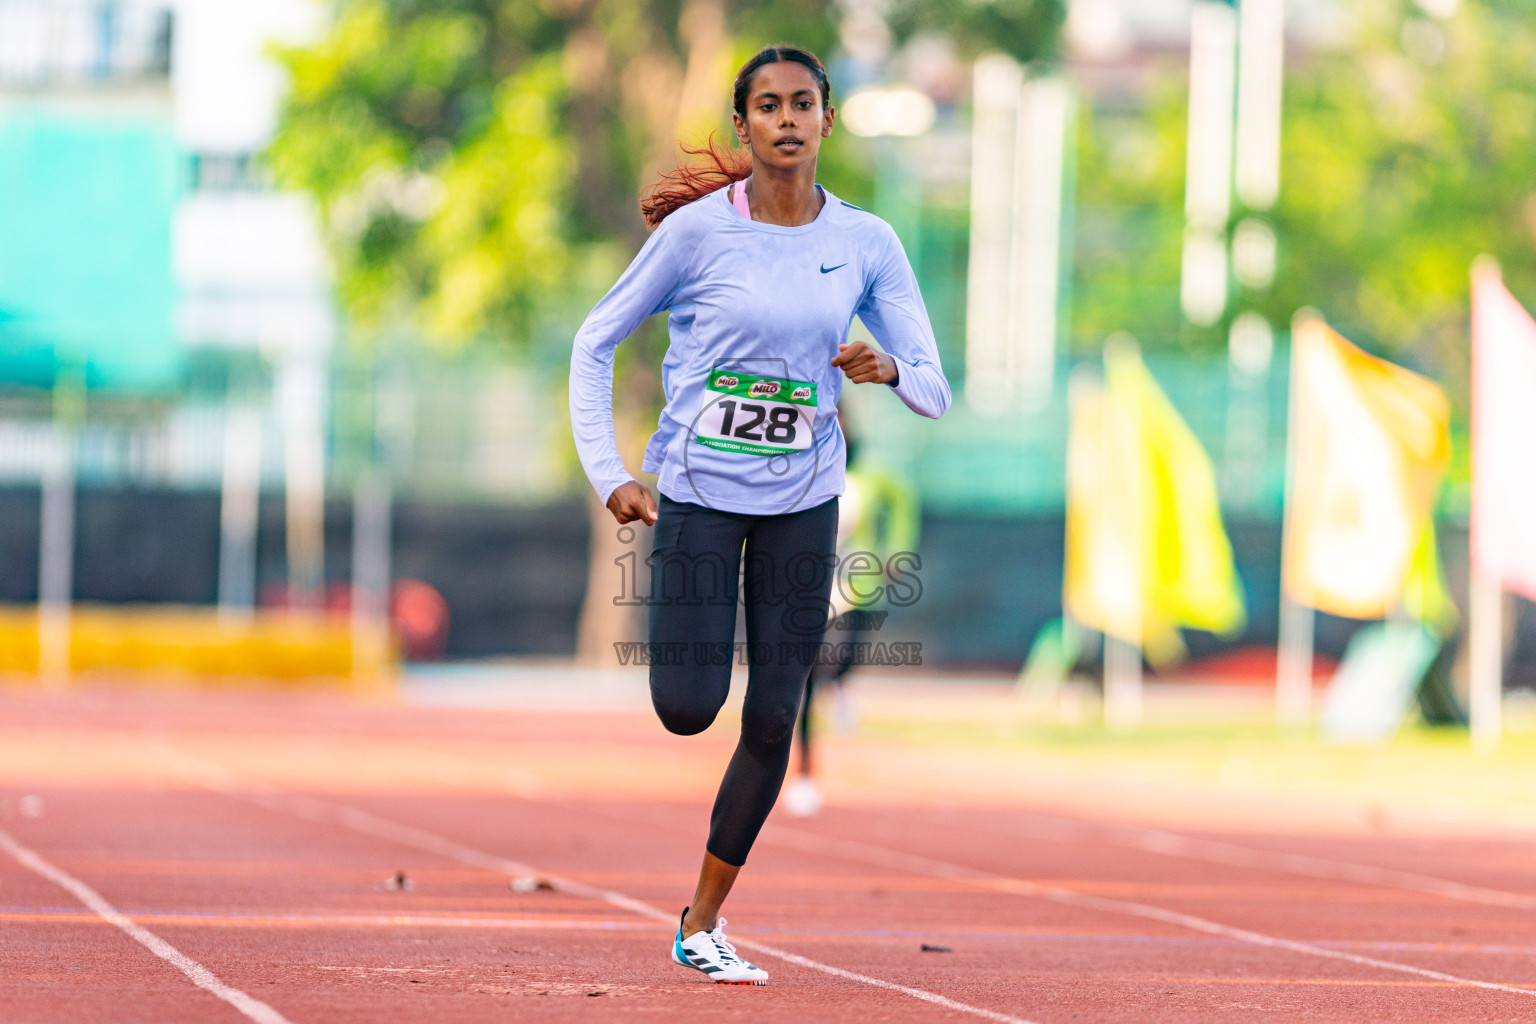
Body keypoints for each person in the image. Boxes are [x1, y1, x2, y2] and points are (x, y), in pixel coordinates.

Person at [568, 43, 950, 986]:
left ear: (828, 120)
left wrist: (888, 367)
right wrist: (609, 470)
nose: (787, 119)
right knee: (689, 710)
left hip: (805, 499)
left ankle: (701, 920)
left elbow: (936, 388)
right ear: (745, 126)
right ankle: (694, 775)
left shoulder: (867, 244)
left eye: (804, 104)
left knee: (776, 717)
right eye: (769, 106)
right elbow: (593, 341)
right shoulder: (699, 235)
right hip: (697, 494)